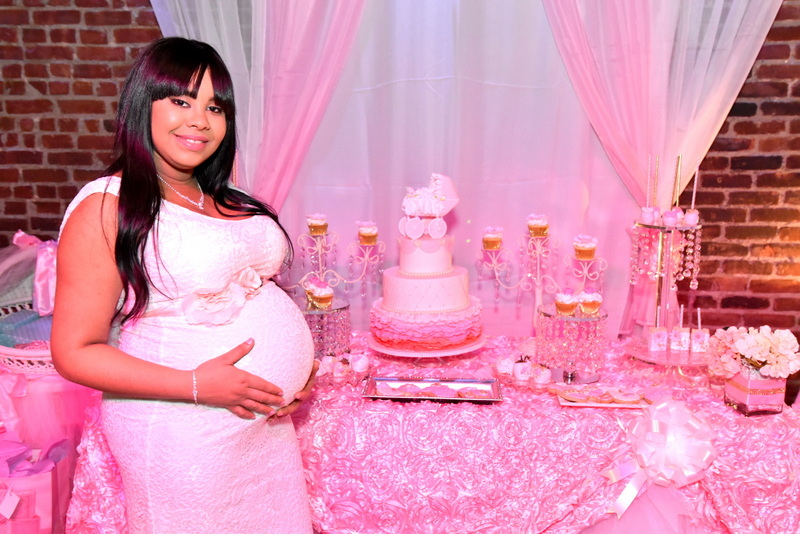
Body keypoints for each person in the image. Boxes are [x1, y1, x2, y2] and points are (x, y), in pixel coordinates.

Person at [51, 37, 317, 533]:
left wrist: (292, 376)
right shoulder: (108, 205)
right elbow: (74, 351)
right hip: (181, 430)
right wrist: (196, 385)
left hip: (261, 430)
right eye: (180, 101)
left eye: (215, 107)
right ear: (143, 104)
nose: (200, 120)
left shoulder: (222, 194)